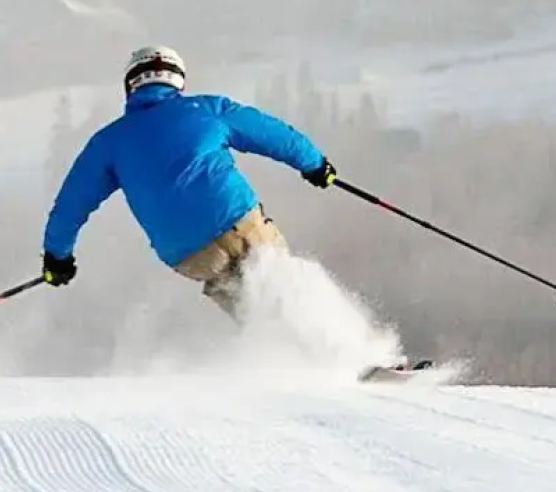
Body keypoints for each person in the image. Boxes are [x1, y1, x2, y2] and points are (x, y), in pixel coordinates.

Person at [39, 45, 338, 321]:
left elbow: (70, 206)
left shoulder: (106, 143)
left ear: (131, 86)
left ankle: (287, 358)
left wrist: (57, 258)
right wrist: (315, 165)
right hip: (237, 221)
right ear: (178, 81)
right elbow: (275, 135)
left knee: (254, 309)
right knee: (286, 287)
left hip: (190, 255)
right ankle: (340, 353)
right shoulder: (208, 109)